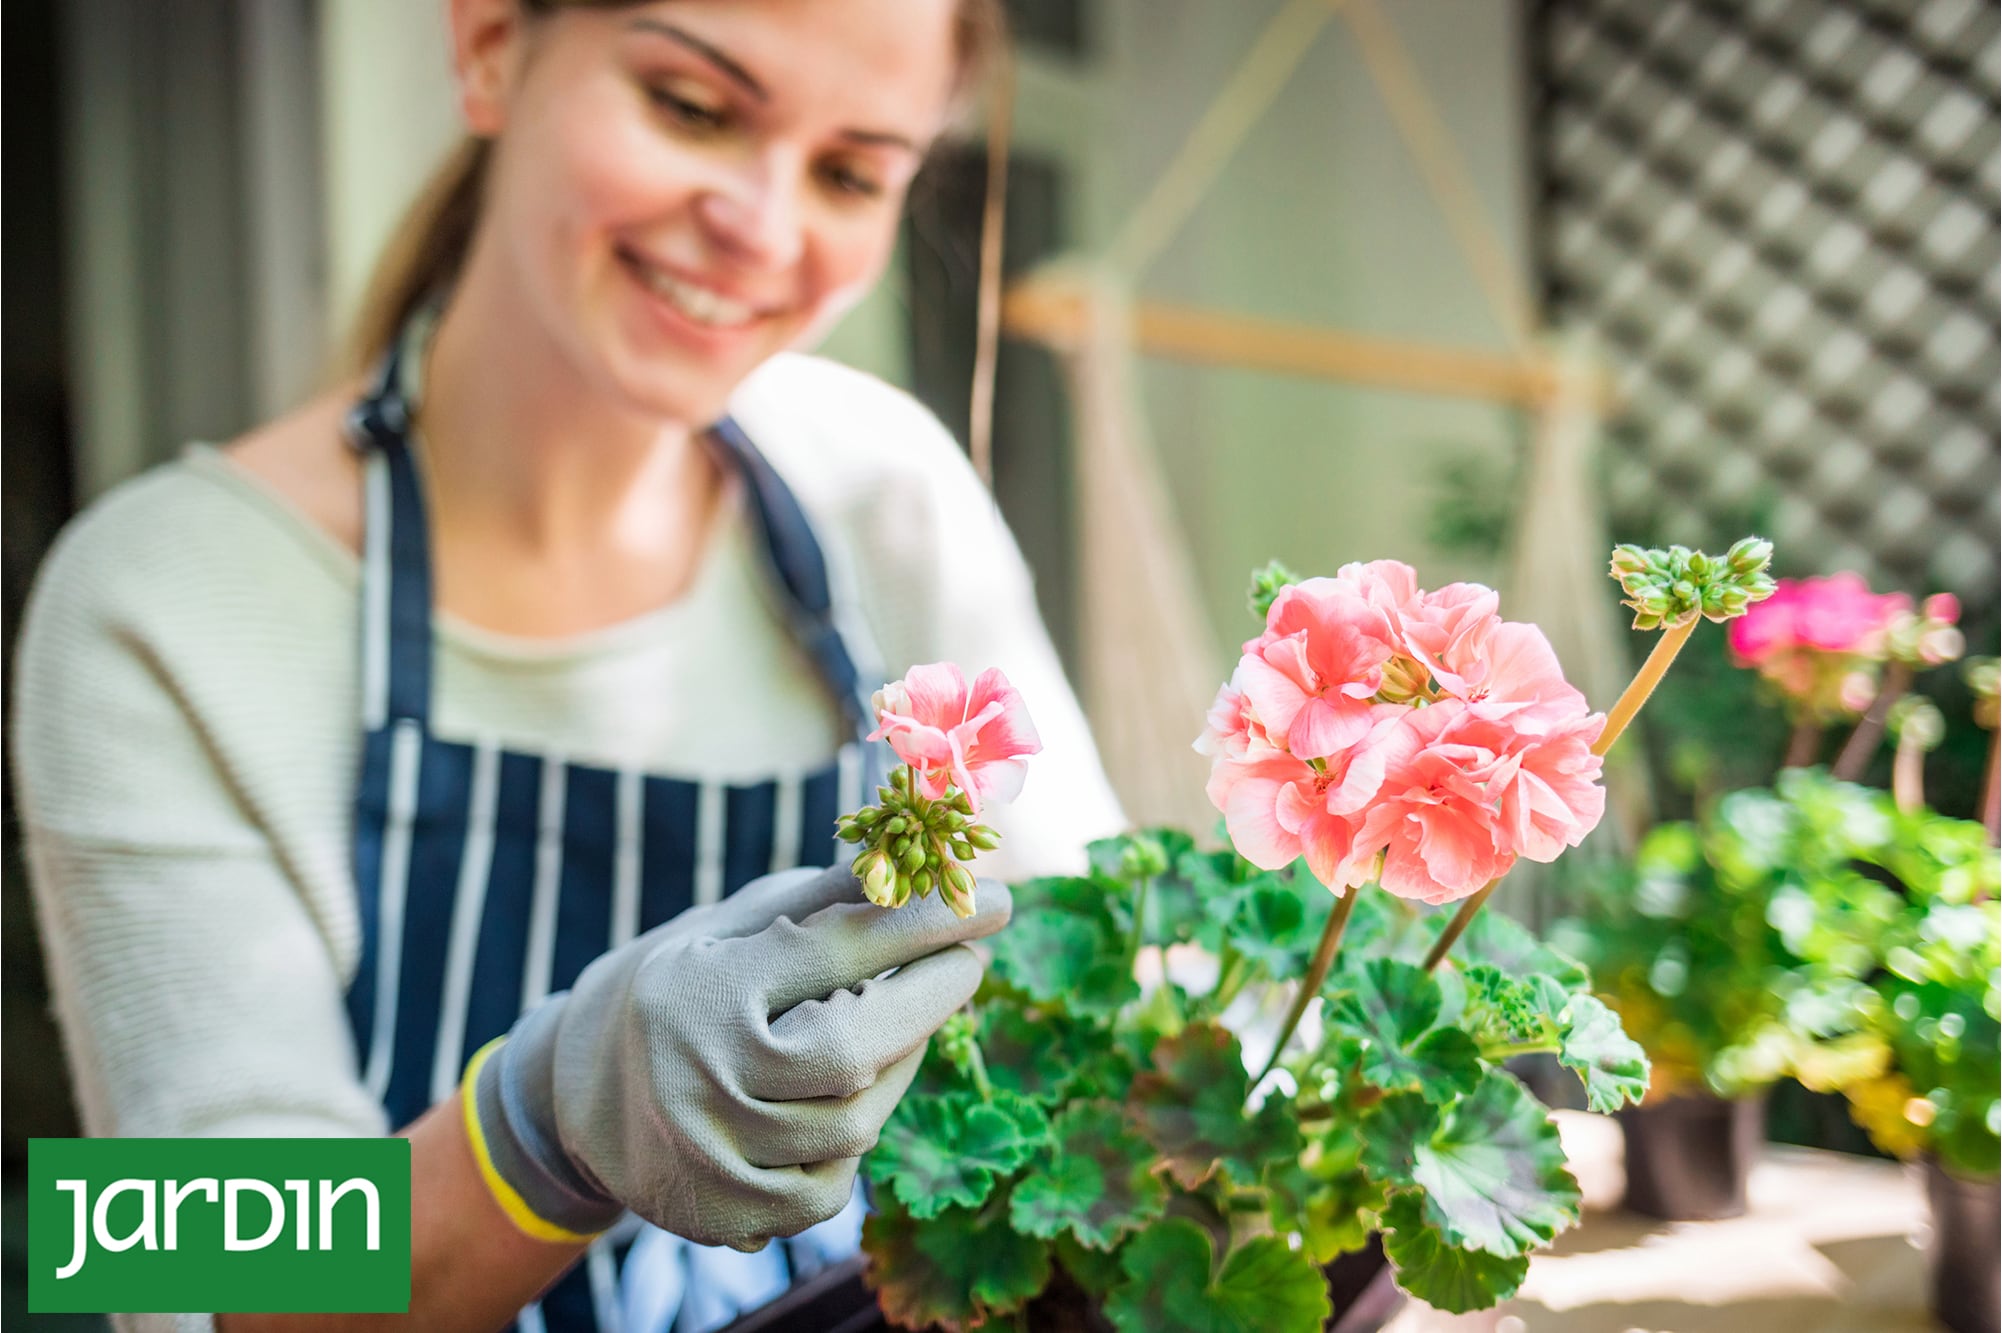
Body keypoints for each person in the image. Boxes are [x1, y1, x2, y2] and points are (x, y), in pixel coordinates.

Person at [9, 2, 1125, 1330]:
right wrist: (538, 1130)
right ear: (487, 42)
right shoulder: (166, 594)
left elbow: (1110, 988)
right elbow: (182, 1265)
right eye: (692, 107)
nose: (762, 230)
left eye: (846, 173)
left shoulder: (885, 489)